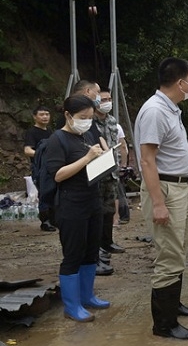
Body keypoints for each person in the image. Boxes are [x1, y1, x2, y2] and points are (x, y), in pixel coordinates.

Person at [134, 57, 188, 340]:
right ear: (180, 82)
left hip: (179, 189)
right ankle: (164, 324)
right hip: (166, 190)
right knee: (169, 255)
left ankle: (174, 305)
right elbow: (147, 161)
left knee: (179, 249)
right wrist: (158, 202)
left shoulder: (171, 109)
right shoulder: (155, 111)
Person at [44, 95, 111, 322]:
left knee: (91, 251)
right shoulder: (57, 140)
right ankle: (72, 306)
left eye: (90, 118)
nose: (87, 122)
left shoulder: (89, 133)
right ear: (68, 116)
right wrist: (87, 158)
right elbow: (58, 175)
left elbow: (96, 156)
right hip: (70, 204)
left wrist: (104, 155)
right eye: (83, 118)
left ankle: (87, 296)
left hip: (92, 200)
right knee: (73, 254)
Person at [92, 88, 127, 257]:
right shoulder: (89, 121)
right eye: (103, 99)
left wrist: (120, 165)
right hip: (96, 171)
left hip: (112, 171)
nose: (107, 102)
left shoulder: (113, 121)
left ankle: (108, 242)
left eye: (109, 99)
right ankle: (96, 246)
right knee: (96, 210)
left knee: (110, 208)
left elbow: (118, 145)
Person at [24, 105, 55, 231]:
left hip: (53, 166)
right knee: (44, 193)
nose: (45, 117)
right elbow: (27, 150)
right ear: (34, 117)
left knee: (55, 192)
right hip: (39, 168)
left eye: (47, 114)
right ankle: (45, 221)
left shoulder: (50, 132)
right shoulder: (31, 132)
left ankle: (54, 219)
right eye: (41, 114)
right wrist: (41, 154)